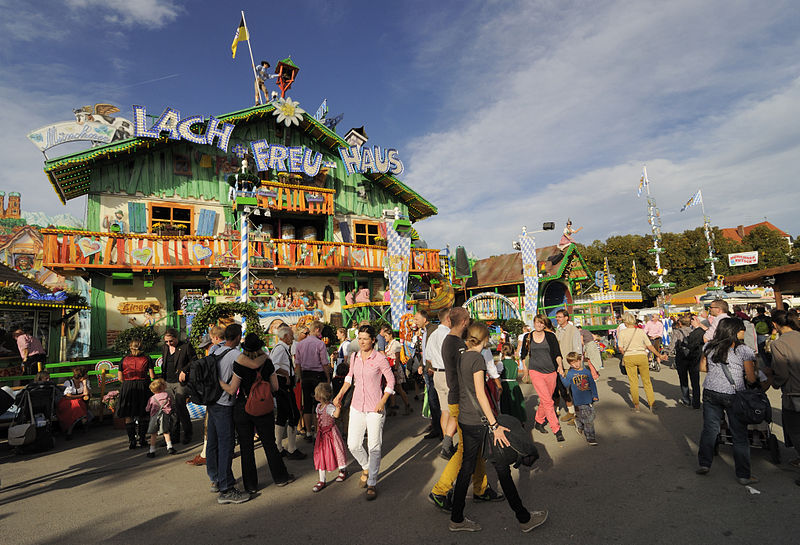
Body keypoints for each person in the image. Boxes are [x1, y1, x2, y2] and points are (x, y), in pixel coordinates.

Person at [448, 322, 548, 533]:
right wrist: (494, 425)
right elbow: (480, 393)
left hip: (466, 419)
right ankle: (524, 518)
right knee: (502, 468)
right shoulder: (476, 359)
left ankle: (456, 518)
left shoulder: (463, 356)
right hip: (481, 422)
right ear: (484, 339)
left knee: (466, 468)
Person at [429, 307, 501, 511]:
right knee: (464, 449)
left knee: (475, 446)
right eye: (468, 320)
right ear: (464, 321)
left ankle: (481, 488)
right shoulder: (455, 344)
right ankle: (440, 491)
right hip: (461, 400)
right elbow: (466, 378)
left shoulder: (452, 342)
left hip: (461, 398)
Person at [207, 323, 278, 505]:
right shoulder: (234, 355)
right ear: (238, 336)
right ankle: (226, 489)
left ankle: (216, 479)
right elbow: (254, 364)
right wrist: (265, 355)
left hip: (212, 402)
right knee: (226, 446)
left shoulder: (215, 351)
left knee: (214, 444)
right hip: (225, 403)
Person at [218, 332, 295, 495]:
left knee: (246, 447)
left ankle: (251, 485)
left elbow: (232, 389)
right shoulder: (267, 363)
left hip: (243, 407)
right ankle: (281, 477)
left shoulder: (239, 363)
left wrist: (220, 383)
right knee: (269, 443)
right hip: (263, 407)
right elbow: (275, 387)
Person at [333, 324, 395, 501]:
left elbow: (390, 381)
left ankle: (372, 482)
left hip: (375, 407)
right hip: (357, 405)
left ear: (373, 340)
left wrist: (383, 401)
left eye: (365, 339)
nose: (361, 342)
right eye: (359, 338)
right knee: (353, 444)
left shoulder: (379, 358)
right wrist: (339, 394)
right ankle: (366, 466)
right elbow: (349, 378)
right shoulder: (354, 357)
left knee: (374, 446)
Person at [696, 318, 758, 485]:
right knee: (739, 435)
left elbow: (702, 368)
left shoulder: (709, 346)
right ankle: (744, 475)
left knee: (710, 429)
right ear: (735, 331)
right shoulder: (743, 350)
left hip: (710, 391)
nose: (743, 332)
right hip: (733, 394)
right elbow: (751, 378)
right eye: (741, 329)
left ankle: (704, 463)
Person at [768, 310, 800, 480]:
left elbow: (781, 373)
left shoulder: (779, 344)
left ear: (775, 324)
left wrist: (773, 381)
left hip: (794, 393)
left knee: (795, 431)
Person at [187, 326, 224, 466]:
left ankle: (207, 454)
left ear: (214, 340)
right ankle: (209, 452)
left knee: (210, 425)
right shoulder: (233, 350)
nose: (205, 350)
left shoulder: (215, 350)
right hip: (227, 393)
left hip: (215, 393)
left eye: (206, 347)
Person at [524, 314, 564, 440]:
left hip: (551, 372)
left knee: (545, 399)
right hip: (535, 371)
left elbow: (557, 353)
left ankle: (539, 421)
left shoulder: (550, 336)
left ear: (545, 324)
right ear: (534, 323)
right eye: (537, 322)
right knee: (548, 401)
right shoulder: (528, 337)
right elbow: (523, 355)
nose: (539, 325)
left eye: (542, 323)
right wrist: (525, 372)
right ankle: (556, 430)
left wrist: (560, 366)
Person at [617, 313, 667, 413]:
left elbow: (620, 348)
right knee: (647, 381)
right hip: (641, 356)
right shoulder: (640, 331)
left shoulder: (622, 333)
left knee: (633, 382)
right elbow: (649, 346)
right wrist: (659, 355)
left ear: (625, 321)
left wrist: (626, 352)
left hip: (629, 357)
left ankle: (636, 406)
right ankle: (652, 404)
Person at [270, 325, 306, 460]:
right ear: (285, 337)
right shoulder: (280, 349)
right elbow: (273, 365)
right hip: (284, 385)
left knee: (283, 415)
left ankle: (278, 446)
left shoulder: (282, 348)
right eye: (291, 335)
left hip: (283, 385)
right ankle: (291, 448)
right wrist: (285, 374)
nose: (292, 337)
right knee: (293, 414)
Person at [116, 339, 155, 449]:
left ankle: (132, 441)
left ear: (130, 347)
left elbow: (120, 378)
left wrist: (128, 382)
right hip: (143, 385)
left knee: (129, 415)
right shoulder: (147, 358)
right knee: (143, 413)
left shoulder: (123, 359)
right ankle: (142, 439)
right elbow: (152, 376)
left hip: (128, 386)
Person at [295, 320, 330, 442]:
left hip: (305, 375)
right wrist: (328, 377)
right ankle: (317, 431)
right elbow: (325, 362)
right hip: (318, 375)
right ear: (317, 330)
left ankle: (308, 431)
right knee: (318, 404)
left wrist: (299, 377)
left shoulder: (300, 344)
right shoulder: (320, 344)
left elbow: (297, 364)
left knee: (307, 405)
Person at [426, 309, 454, 457]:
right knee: (455, 409)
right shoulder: (449, 335)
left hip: (437, 373)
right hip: (448, 373)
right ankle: (449, 442)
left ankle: (446, 441)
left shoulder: (434, 334)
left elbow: (428, 357)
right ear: (448, 319)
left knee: (445, 410)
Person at [162, 328, 197, 445]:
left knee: (180, 406)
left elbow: (194, 360)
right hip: (168, 381)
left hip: (180, 382)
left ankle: (188, 433)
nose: (168, 344)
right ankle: (174, 435)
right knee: (171, 409)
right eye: (166, 341)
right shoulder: (165, 348)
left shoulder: (186, 347)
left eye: (171, 341)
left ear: (176, 338)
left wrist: (185, 371)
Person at [311, 382, 348, 492]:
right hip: (322, 435)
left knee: (337, 451)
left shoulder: (329, 407)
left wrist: (338, 406)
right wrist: (317, 432)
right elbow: (318, 421)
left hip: (331, 434)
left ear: (319, 396)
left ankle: (343, 470)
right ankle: (322, 479)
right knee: (321, 455)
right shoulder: (318, 407)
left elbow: (336, 415)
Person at [558, 352, 599, 445]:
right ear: (569, 364)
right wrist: (561, 375)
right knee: (589, 419)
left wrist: (595, 395)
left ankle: (579, 422)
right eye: (573, 363)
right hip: (579, 399)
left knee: (591, 415)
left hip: (589, 398)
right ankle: (590, 437)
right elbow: (566, 384)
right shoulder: (571, 373)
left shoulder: (586, 372)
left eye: (577, 361)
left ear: (580, 360)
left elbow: (592, 384)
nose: (576, 364)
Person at [416, 310, 443, 440]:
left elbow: (435, 350)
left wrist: (431, 367)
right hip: (427, 369)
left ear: (425, 319)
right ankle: (436, 427)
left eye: (417, 319)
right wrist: (421, 364)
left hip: (434, 369)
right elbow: (425, 351)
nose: (415, 321)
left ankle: (442, 429)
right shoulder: (425, 331)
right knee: (432, 401)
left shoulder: (434, 330)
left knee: (436, 400)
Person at [672, 314, 705, 408]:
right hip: (694, 357)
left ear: (679, 323)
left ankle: (686, 400)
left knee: (683, 379)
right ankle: (696, 402)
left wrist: (664, 353)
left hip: (681, 357)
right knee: (695, 380)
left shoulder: (677, 332)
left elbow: (673, 344)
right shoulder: (695, 331)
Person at [554, 310, 580, 422]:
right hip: (561, 364)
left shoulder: (573, 330)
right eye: (557, 317)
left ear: (566, 318)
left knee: (575, 390)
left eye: (560, 317)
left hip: (571, 365)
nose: (557, 319)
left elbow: (577, 348)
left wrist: (577, 365)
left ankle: (578, 415)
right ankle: (571, 412)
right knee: (564, 389)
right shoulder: (558, 330)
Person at [381, 325, 411, 416]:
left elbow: (397, 357)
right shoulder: (388, 345)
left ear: (390, 335)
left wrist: (396, 369)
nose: (384, 338)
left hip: (395, 367)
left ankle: (407, 405)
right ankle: (393, 407)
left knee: (398, 388)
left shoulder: (395, 344)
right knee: (391, 388)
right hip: (390, 368)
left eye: (386, 336)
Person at [144, 378, 175, 458]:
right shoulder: (168, 395)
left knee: (153, 434)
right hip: (165, 415)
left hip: (154, 416)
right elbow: (171, 403)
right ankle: (170, 447)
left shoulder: (152, 398)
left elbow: (147, 409)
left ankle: (152, 450)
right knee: (166, 431)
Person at [57, 366, 90, 439]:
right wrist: (81, 395)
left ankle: (69, 430)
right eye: (86, 374)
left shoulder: (85, 382)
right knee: (76, 404)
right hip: (66, 402)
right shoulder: (68, 383)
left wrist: (84, 384)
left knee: (77, 404)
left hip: (78, 402)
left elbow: (87, 394)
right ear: (81, 377)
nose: (87, 376)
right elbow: (68, 396)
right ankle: (83, 419)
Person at [498, 344, 526, 424]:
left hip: (505, 385)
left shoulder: (501, 363)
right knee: (516, 404)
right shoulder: (515, 363)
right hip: (515, 384)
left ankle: (508, 422)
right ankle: (519, 420)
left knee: (506, 404)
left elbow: (497, 375)